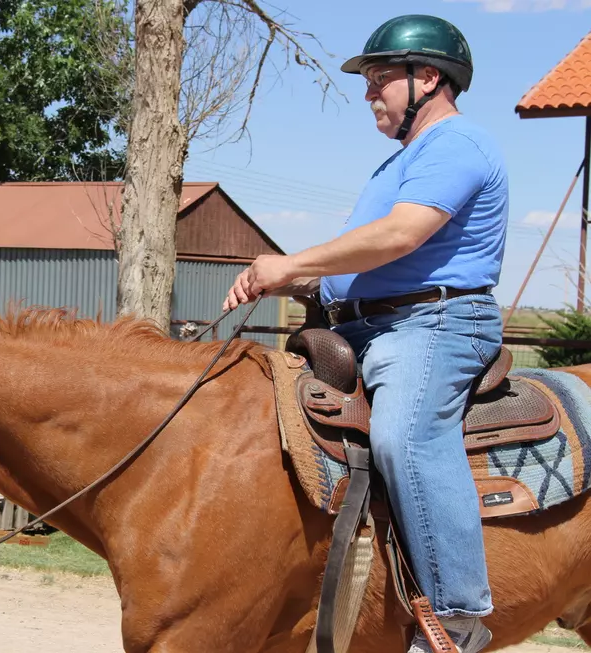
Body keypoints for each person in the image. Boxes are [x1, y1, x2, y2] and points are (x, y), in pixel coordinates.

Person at [224, 14, 507, 653]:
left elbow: (399, 238)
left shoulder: (458, 145)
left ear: (428, 78)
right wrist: (299, 285)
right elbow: (365, 260)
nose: (369, 93)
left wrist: (293, 262)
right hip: (370, 327)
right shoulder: (397, 165)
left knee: (404, 435)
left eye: (381, 78)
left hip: (434, 325)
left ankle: (458, 623)